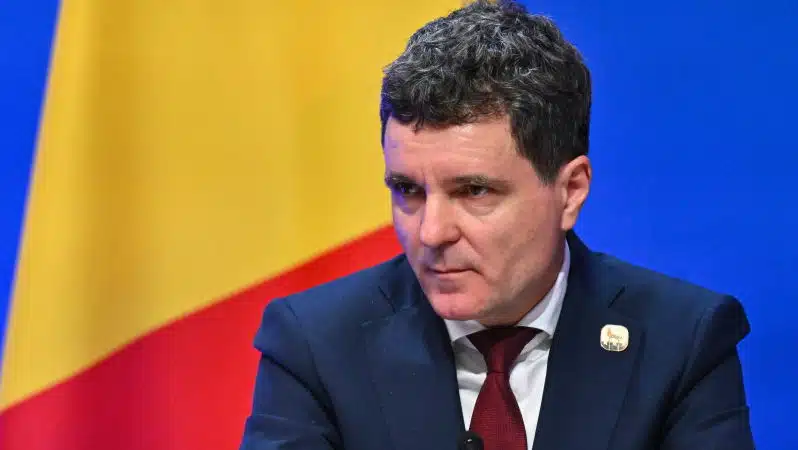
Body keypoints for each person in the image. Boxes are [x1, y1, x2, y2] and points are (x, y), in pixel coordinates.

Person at [239, 1, 755, 449]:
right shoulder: (316, 344)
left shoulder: (680, 341)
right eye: (408, 190)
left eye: (474, 191)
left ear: (570, 191)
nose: (431, 233)